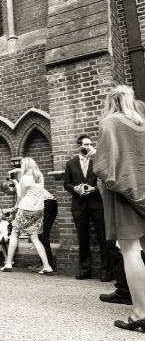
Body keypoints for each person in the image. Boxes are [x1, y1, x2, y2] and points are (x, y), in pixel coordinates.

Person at [93, 85, 145, 331]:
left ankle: (140, 313)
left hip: (124, 194)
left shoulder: (110, 122)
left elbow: (104, 167)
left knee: (131, 250)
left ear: (110, 101)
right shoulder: (142, 123)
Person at [64, 134, 110, 281]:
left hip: (96, 202)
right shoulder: (71, 163)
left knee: (103, 237)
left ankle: (106, 271)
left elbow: (104, 181)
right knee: (83, 238)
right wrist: (75, 189)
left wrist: (94, 189)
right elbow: (66, 183)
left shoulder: (97, 160)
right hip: (79, 204)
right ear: (80, 146)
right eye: (86, 144)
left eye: (91, 144)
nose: (90, 147)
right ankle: (85, 270)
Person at [1, 157, 54, 275]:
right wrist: (18, 172)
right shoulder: (40, 176)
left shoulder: (24, 179)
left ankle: (8, 263)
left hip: (25, 209)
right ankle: (47, 266)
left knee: (14, 234)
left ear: (25, 165)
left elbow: (20, 195)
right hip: (38, 210)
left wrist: (16, 183)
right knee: (35, 238)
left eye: (21, 165)